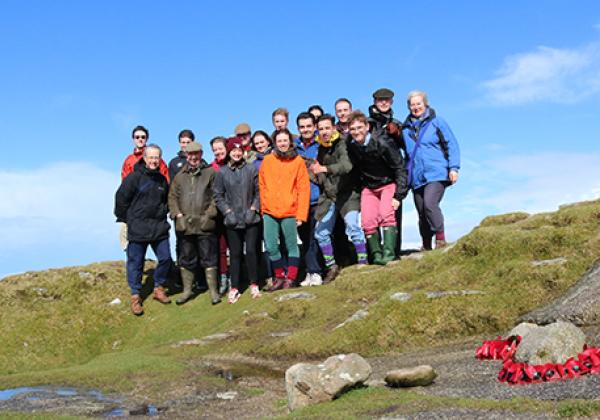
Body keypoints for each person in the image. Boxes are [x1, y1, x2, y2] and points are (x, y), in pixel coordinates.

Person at [115, 144, 172, 316]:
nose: (154, 161)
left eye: (157, 158)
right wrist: (128, 219)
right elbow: (120, 199)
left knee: (166, 258)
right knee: (135, 263)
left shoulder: (162, 180)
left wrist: (164, 212)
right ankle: (135, 296)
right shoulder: (134, 178)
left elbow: (166, 202)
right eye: (151, 157)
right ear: (145, 158)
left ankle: (158, 288)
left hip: (158, 227)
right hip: (138, 228)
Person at [347, 111, 408, 265]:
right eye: (353, 129)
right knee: (367, 221)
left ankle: (389, 254)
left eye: (360, 127)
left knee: (387, 215)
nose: (356, 132)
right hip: (369, 187)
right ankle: (376, 256)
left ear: (367, 127)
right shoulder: (352, 146)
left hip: (388, 183)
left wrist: (399, 195)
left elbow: (400, 167)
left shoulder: (382, 142)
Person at [401, 90, 460, 250]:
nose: (415, 107)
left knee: (429, 204)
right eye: (412, 105)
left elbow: (451, 144)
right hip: (417, 176)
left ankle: (440, 240)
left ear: (425, 104)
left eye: (418, 104)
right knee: (421, 212)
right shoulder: (405, 129)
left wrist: (453, 168)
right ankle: (426, 245)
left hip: (437, 172)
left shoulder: (437, 122)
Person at [311, 115, 367, 282]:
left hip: (348, 194)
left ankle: (363, 263)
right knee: (320, 232)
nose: (324, 132)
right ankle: (332, 267)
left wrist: (324, 168)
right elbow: (321, 174)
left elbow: (346, 166)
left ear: (334, 128)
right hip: (329, 196)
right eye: (321, 129)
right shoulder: (321, 148)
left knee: (352, 225)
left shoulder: (342, 143)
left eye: (327, 128)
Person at [168, 142, 221, 305]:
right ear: (186, 156)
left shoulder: (210, 173)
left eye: (196, 154)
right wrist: (177, 214)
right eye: (190, 154)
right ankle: (187, 291)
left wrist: (209, 215)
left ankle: (214, 292)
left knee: (209, 258)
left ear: (201, 154)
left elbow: (216, 195)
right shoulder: (179, 176)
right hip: (185, 225)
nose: (193, 157)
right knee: (186, 258)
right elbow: (172, 197)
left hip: (205, 224)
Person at [259, 128, 310, 290]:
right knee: (272, 246)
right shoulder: (267, 161)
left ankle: (291, 278)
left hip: (290, 210)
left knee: (291, 246)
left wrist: (301, 214)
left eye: (285, 140)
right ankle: (279, 277)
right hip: (269, 211)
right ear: (275, 142)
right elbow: (262, 185)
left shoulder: (298, 161)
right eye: (279, 141)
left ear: (290, 141)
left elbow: (303, 188)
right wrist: (264, 207)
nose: (282, 143)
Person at [214, 137, 262, 303]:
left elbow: (259, 191)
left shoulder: (251, 169)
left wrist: (254, 208)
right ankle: (234, 286)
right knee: (234, 254)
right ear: (229, 152)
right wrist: (227, 212)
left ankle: (254, 283)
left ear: (243, 152)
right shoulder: (221, 172)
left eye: (239, 150)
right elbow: (218, 195)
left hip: (250, 218)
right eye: (233, 150)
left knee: (251, 251)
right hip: (232, 220)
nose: (236, 153)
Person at [119, 125, 170, 252]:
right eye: (137, 137)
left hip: (154, 207)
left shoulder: (156, 158)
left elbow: (165, 181)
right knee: (127, 235)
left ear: (147, 138)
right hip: (134, 207)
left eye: (143, 137)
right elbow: (124, 183)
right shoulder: (129, 160)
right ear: (133, 139)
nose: (140, 139)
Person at [369, 88, 405, 258]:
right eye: (380, 100)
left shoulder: (397, 123)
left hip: (392, 175)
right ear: (374, 101)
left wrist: (398, 135)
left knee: (393, 214)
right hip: (371, 176)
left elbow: (407, 147)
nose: (383, 103)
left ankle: (394, 254)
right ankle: (375, 255)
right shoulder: (368, 123)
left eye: (387, 100)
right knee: (371, 217)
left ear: (391, 102)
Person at [295, 112, 324, 287]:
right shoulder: (294, 149)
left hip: (318, 198)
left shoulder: (321, 145)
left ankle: (317, 272)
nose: (305, 130)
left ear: (314, 127)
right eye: (302, 127)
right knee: (305, 239)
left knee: (316, 237)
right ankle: (309, 272)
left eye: (308, 126)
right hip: (300, 202)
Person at [210, 136, 231, 294]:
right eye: (215, 149)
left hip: (236, 212)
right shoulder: (211, 168)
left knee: (236, 247)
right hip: (218, 214)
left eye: (220, 148)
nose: (218, 152)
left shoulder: (234, 164)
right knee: (221, 248)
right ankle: (223, 277)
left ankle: (237, 276)